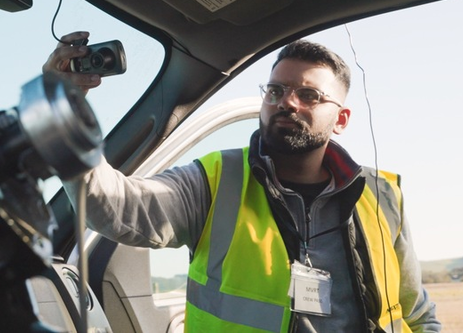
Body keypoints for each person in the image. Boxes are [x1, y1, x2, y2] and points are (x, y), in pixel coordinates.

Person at [43, 32, 440, 332]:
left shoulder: (381, 194)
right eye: (276, 90)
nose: (287, 102)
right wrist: (59, 109)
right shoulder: (215, 180)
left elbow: (416, 311)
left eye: (309, 95)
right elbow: (111, 207)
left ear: (341, 119)